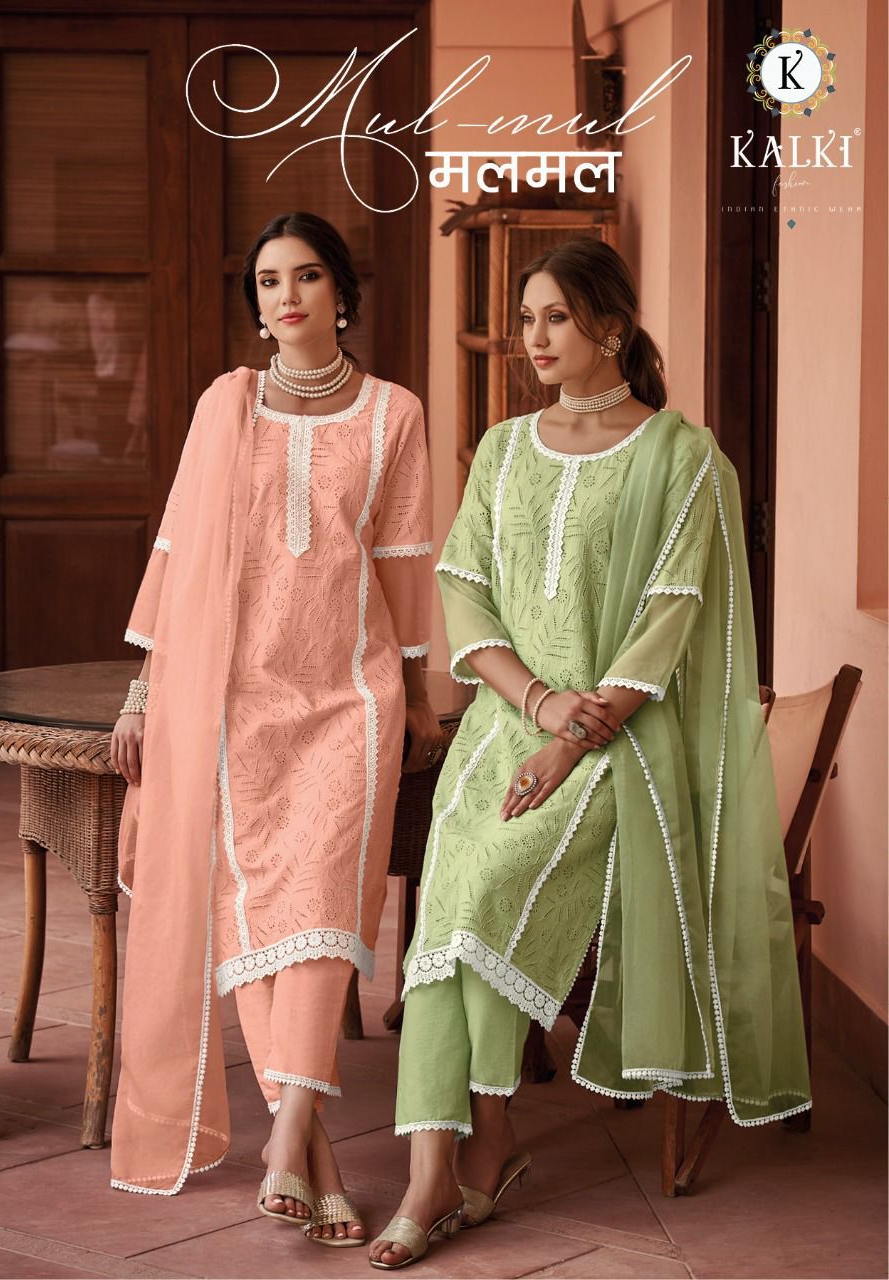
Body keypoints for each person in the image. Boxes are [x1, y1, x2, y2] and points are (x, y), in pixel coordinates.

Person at [369, 238, 811, 1269]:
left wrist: (570, 737)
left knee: (480, 887)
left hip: (622, 748)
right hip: (502, 729)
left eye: (555, 317)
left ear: (611, 325)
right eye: (525, 319)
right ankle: (446, 1166)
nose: (533, 338)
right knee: (447, 906)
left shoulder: (682, 457)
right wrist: (532, 700)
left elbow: (669, 621)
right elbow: (465, 588)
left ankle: (479, 1149)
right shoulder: (502, 449)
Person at [109, 212, 443, 1250]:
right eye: (267, 281)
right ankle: (309, 1151)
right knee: (254, 910)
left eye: (305, 277)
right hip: (232, 696)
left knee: (329, 909)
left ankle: (292, 1131)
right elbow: (178, 551)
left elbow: (404, 560)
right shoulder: (228, 406)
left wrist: (418, 690)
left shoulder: (394, 412)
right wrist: (145, 692)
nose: (285, 296)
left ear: (342, 292)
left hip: (349, 693)